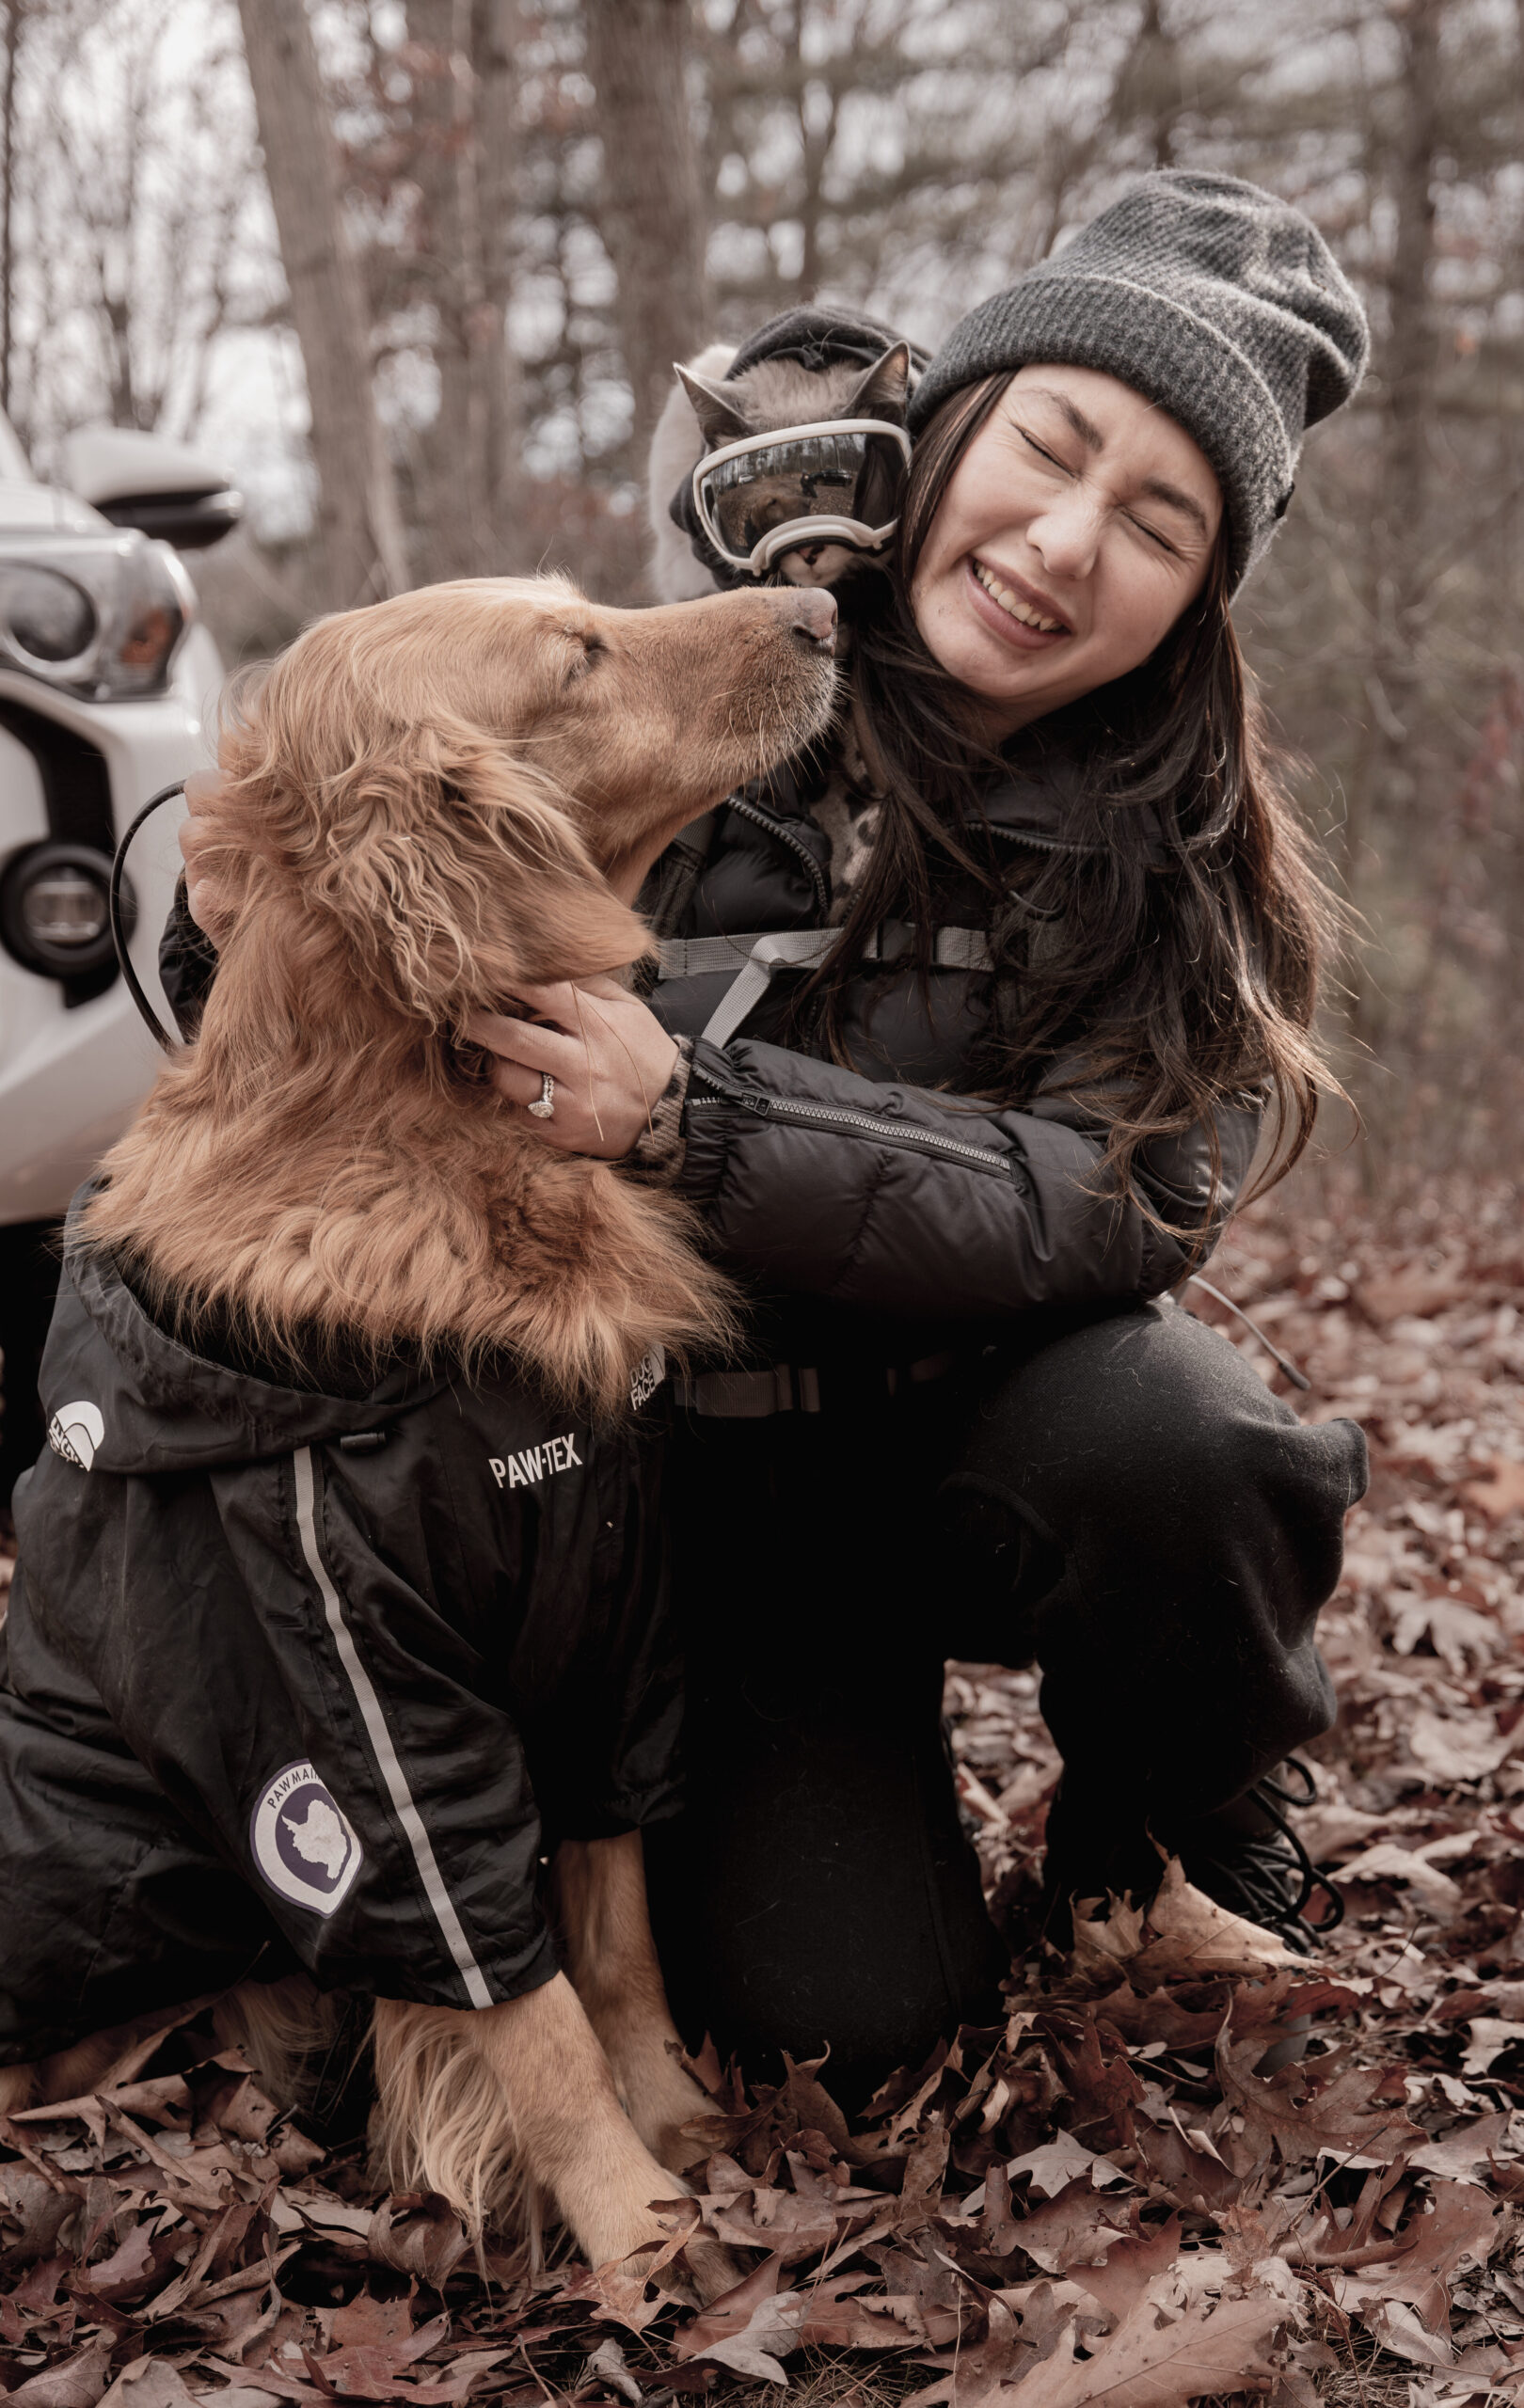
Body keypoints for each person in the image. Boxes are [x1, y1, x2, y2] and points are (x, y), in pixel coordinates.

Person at [169, 172, 1373, 2104]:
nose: (1064, 543)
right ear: (948, 431)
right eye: (1046, 447)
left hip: (957, 1448)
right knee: (845, 2031)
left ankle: (1150, 1836)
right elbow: (371, 826)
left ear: (1202, 591)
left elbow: (1116, 1197)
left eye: (1156, 520)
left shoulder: (1182, 855)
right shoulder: (712, 669)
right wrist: (219, 909)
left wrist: (695, 1114)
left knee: (1189, 1445)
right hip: (666, 1505)